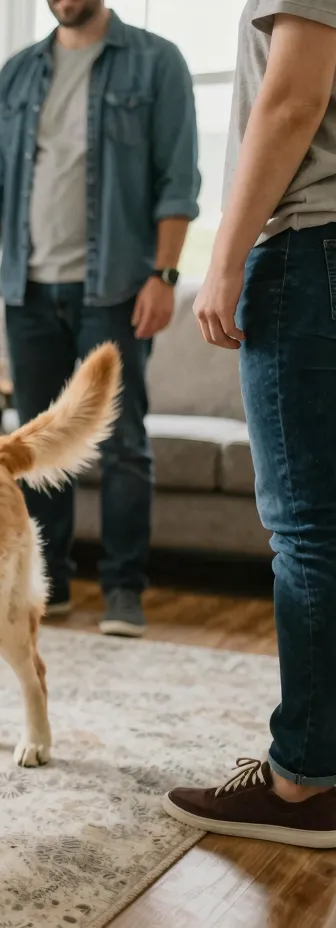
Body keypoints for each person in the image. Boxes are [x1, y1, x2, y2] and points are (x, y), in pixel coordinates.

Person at [0, 0, 200, 636]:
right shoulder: (17, 74)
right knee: (37, 443)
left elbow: (177, 182)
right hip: (27, 292)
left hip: (119, 290)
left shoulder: (157, 64)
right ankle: (55, 579)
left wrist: (166, 275)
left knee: (122, 443)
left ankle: (124, 588)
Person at [163, 2, 336, 847]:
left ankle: (303, 782)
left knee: (308, 531)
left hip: (311, 246)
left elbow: (292, 98)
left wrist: (223, 257)